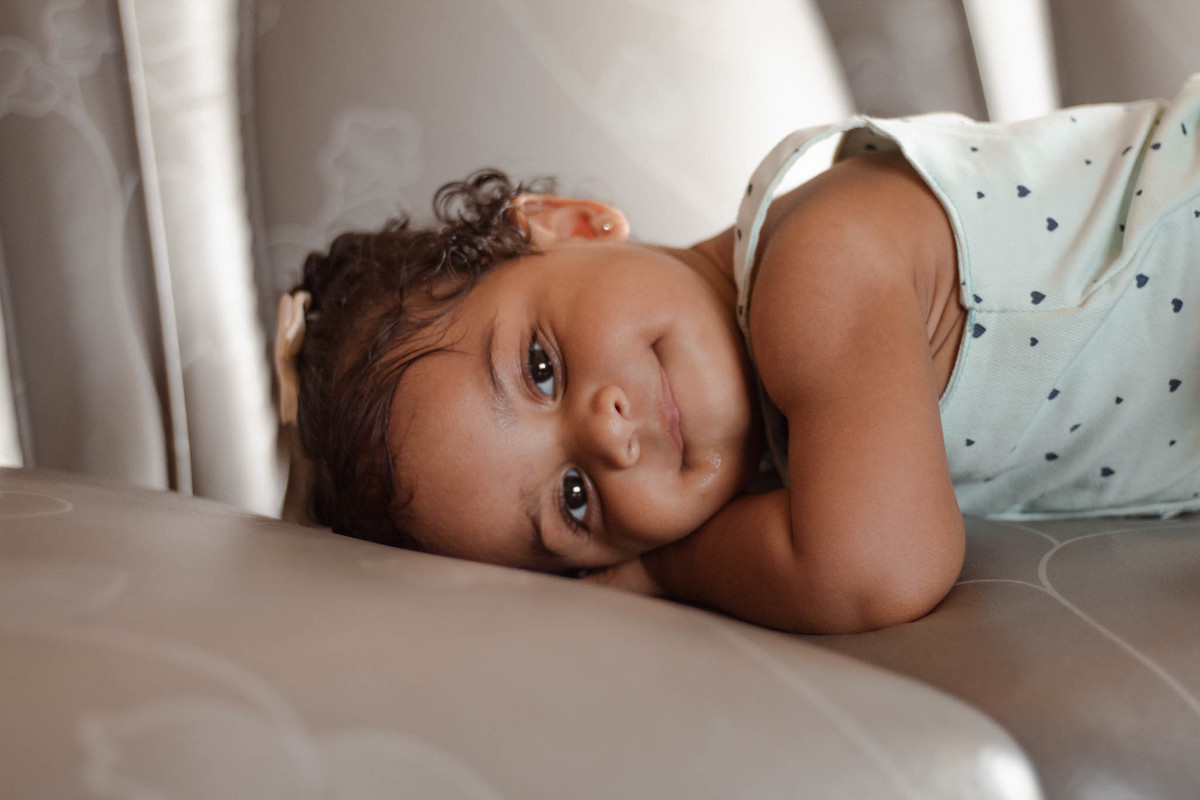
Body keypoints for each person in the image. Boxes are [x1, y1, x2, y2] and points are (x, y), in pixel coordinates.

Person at [274, 74, 1200, 634]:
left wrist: (670, 569)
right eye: (574, 500)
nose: (605, 435)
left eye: (542, 367)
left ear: (573, 225)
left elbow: (876, 567)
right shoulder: (799, 433)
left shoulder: (814, 265)